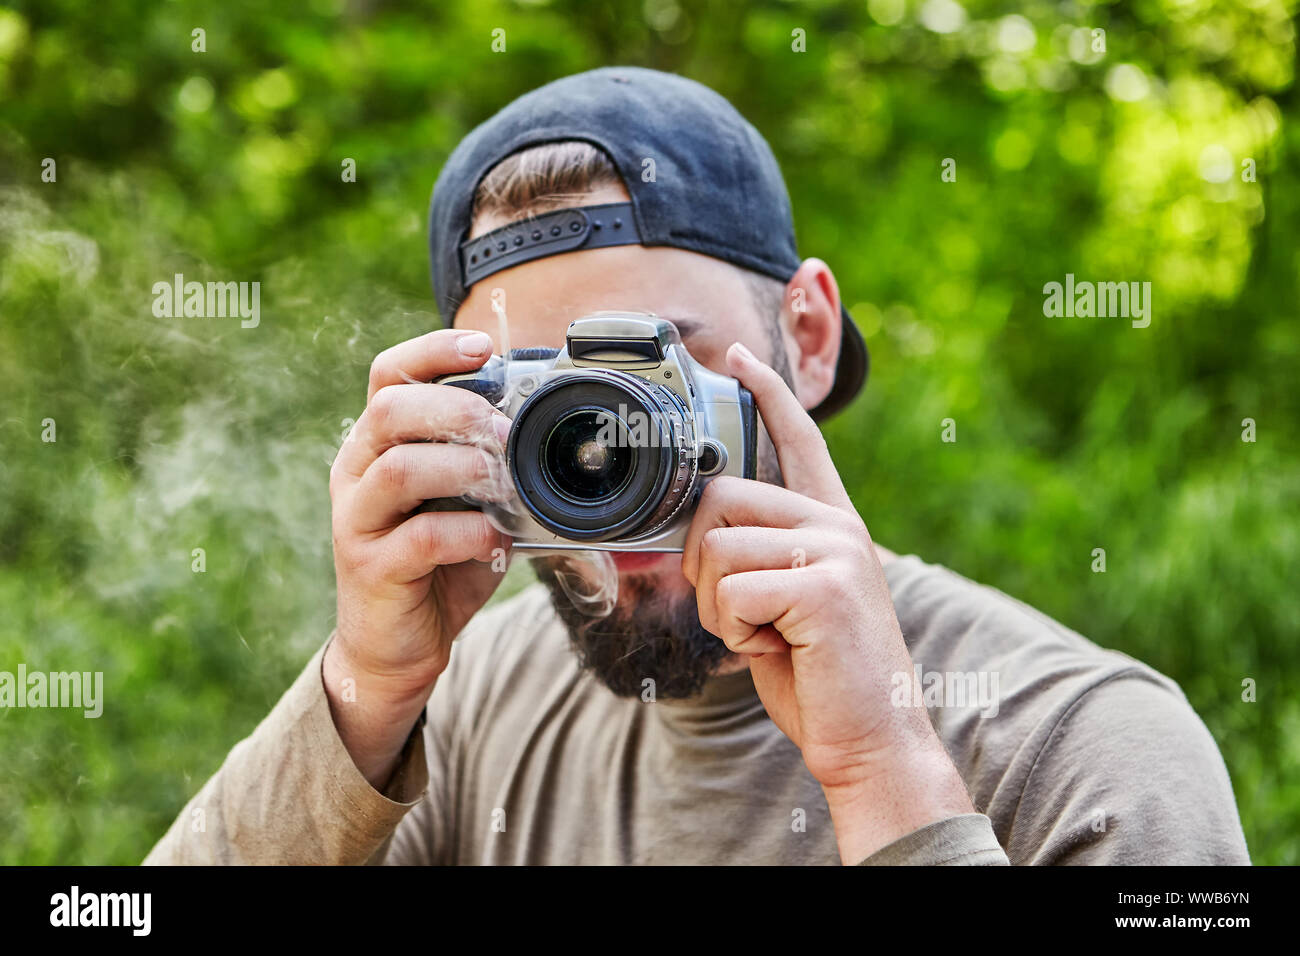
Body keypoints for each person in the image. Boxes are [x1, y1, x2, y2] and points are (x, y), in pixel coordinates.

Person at [145, 67, 1249, 865]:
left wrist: (884, 774)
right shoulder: (480, 692)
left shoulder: (1089, 746)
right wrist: (363, 694)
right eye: (549, 397)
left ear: (805, 338)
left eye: (657, 365)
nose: (606, 442)